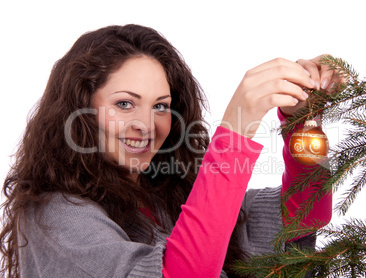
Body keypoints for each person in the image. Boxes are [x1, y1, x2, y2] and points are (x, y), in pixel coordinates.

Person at [0, 24, 336, 277]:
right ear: (81, 108)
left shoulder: (168, 198)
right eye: (125, 103)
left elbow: (305, 212)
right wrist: (236, 127)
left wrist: (302, 120)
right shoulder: (54, 216)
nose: (146, 125)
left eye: (160, 106)